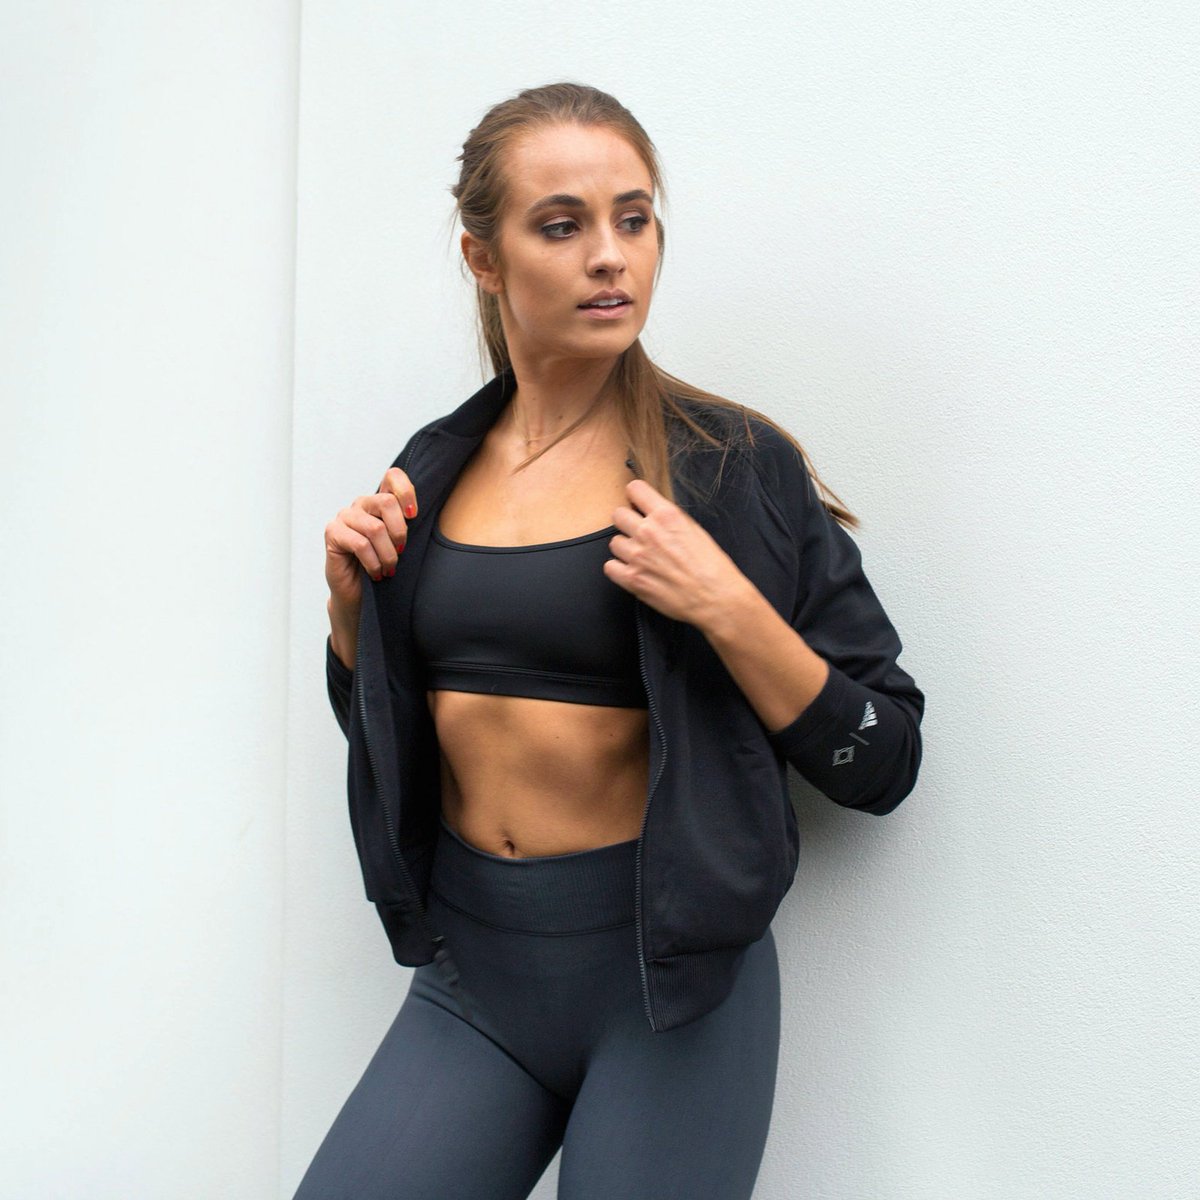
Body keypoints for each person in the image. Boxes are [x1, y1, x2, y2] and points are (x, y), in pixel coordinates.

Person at [298, 82, 925, 1200]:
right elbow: (393, 732)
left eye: (633, 220)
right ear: (484, 259)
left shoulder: (731, 467)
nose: (609, 255)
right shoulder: (431, 469)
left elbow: (884, 760)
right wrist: (353, 625)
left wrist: (728, 605)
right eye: (562, 224)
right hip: (472, 980)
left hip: (667, 990)